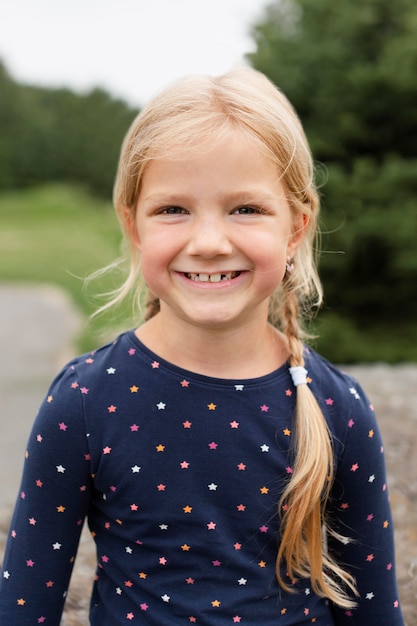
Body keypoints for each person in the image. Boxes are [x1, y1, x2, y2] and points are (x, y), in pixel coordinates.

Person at [0, 67, 405, 625]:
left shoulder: (339, 408)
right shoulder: (86, 401)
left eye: (245, 209)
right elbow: (24, 607)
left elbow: (374, 611)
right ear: (134, 225)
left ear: (295, 227)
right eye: (173, 209)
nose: (209, 242)